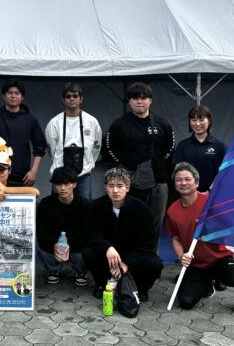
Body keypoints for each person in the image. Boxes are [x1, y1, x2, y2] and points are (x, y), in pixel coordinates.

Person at [166, 162, 234, 317]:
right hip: (196, 263)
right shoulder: (172, 210)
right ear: (175, 184)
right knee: (186, 302)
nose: (183, 183)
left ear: (197, 183)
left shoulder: (211, 204)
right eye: (179, 180)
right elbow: (175, 238)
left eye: (188, 179)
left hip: (219, 259)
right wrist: (181, 256)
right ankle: (207, 285)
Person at [105, 81, 174, 252]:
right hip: (129, 182)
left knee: (155, 223)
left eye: (144, 98)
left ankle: (151, 258)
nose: (139, 101)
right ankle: (129, 259)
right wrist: (127, 167)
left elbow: (170, 148)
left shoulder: (162, 124)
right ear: (129, 101)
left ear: (150, 100)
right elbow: (110, 148)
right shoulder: (119, 124)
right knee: (129, 222)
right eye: (135, 98)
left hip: (158, 182)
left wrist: (157, 165)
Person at [83, 167, 163, 301]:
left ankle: (140, 289)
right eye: (111, 186)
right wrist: (107, 247)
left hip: (132, 255)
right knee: (88, 253)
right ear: (105, 187)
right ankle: (102, 284)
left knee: (155, 263)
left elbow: (148, 242)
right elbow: (91, 233)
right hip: (109, 255)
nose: (115, 190)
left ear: (127, 188)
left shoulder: (141, 208)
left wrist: (127, 264)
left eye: (120, 186)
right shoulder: (96, 206)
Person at [0, 79, 47, 186]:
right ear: (4, 96)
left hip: (22, 177)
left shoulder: (30, 120)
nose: (13, 96)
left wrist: (33, 171)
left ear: (22, 97)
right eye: (10, 93)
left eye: (17, 93)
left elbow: (40, 146)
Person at [44, 82, 102, 199]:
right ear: (63, 100)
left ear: (81, 99)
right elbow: (51, 150)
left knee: (84, 207)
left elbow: (97, 147)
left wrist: (89, 163)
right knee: (57, 208)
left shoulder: (92, 122)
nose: (72, 99)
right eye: (68, 96)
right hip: (60, 175)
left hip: (83, 175)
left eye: (75, 96)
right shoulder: (54, 123)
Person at [35, 166, 90, 286]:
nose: (63, 188)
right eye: (59, 184)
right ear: (54, 185)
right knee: (40, 247)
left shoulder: (85, 205)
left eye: (67, 183)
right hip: (55, 244)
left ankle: (81, 272)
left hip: (76, 245)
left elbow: (86, 233)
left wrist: (70, 244)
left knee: (88, 249)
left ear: (74, 184)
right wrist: (54, 244)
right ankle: (53, 270)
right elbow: (42, 231)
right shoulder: (46, 204)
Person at [173, 105, 227, 193]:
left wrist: (209, 191)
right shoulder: (182, 146)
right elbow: (178, 172)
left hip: (214, 195)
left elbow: (225, 172)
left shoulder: (220, 146)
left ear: (209, 121)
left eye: (201, 120)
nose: (197, 124)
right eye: (194, 120)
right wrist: (193, 192)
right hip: (188, 194)